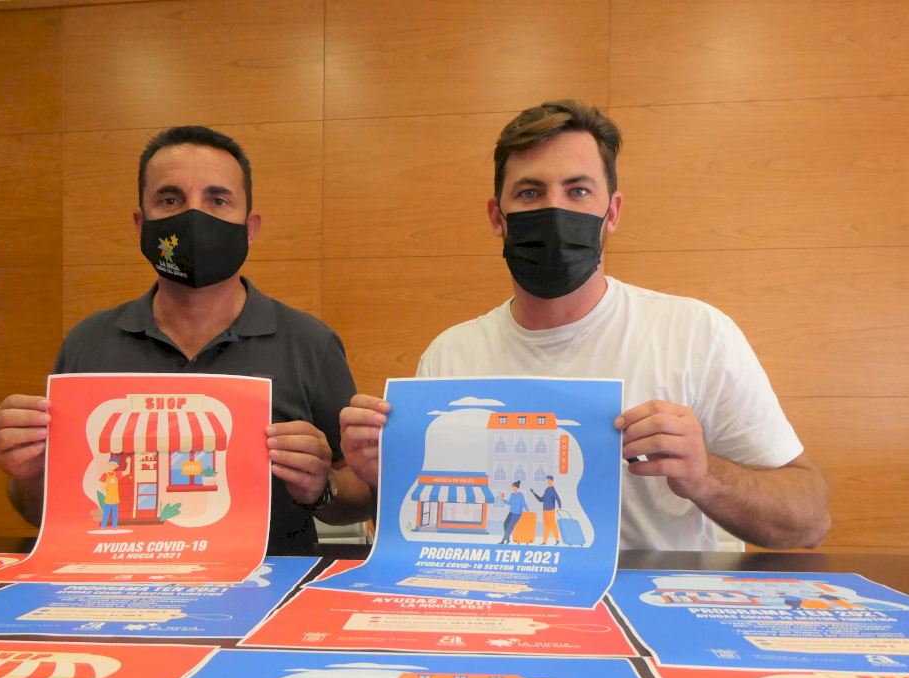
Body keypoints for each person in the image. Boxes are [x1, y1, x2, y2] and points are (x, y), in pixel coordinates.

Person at [340, 100, 830, 551]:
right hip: (499, 598)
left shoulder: (696, 335)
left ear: (611, 212)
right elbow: (419, 530)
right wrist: (385, 477)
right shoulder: (451, 354)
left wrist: (706, 477)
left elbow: (808, 520)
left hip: (645, 605)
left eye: (578, 191)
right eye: (530, 192)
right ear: (497, 217)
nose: (554, 211)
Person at [0, 126, 373, 554]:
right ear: (142, 224)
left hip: (268, 584)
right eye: (170, 200)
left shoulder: (309, 342)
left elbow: (362, 495)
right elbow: (41, 510)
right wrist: (29, 472)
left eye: (217, 200)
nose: (194, 218)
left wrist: (321, 487)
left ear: (249, 228)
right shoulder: (88, 344)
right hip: (118, 580)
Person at [530, 475, 562, 545]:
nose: (548, 482)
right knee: (546, 526)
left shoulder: (552, 490)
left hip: (550, 510)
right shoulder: (547, 489)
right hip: (545, 511)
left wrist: (560, 507)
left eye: (549, 481)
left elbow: (558, 499)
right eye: (547, 481)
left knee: (553, 525)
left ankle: (557, 540)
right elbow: (541, 500)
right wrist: (534, 493)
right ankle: (544, 541)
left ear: (552, 481)